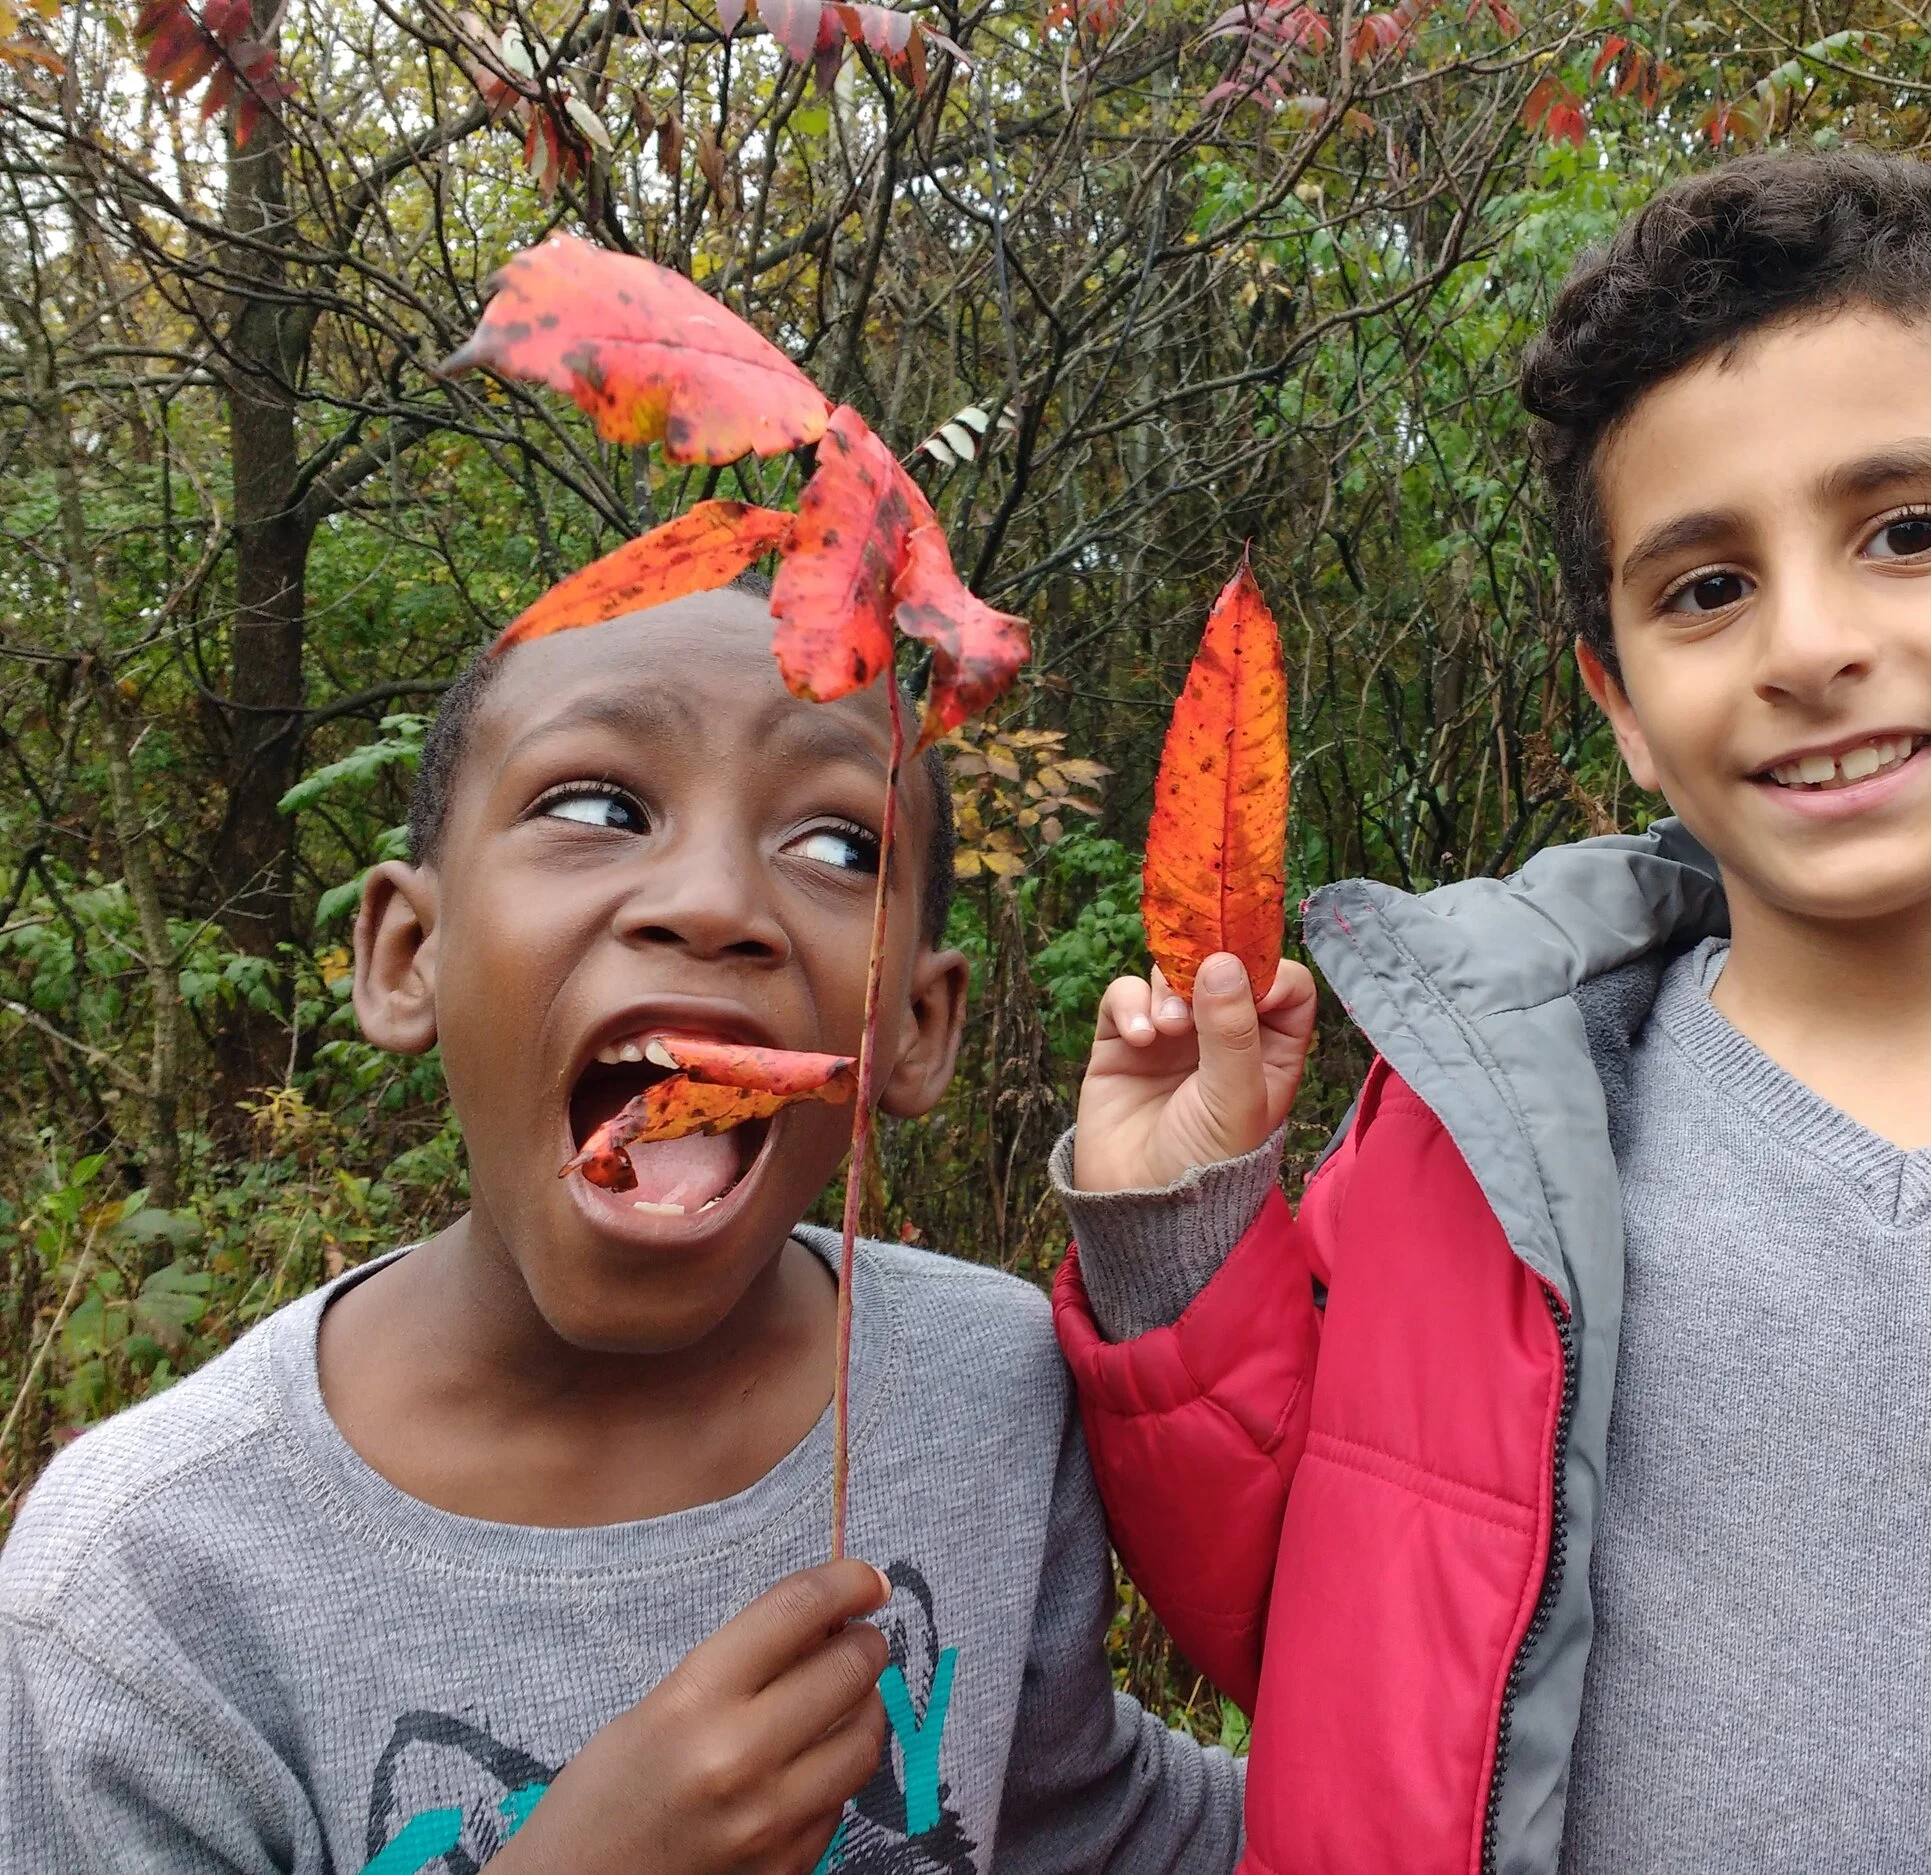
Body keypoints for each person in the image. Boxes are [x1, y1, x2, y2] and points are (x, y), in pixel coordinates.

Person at [1048, 151, 1931, 1875]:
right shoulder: (1491, 1138)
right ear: (1627, 705)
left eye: (1909, 532)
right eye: (1706, 587)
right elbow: (1314, 1621)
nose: (1807, 644)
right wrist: (1182, 1221)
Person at [0, 581, 1244, 1875]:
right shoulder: (141, 1584)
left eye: (838, 846)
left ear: (916, 1030)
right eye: (597, 807)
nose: (711, 901)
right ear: (406, 952)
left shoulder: (991, 1388)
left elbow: (1105, 1832)